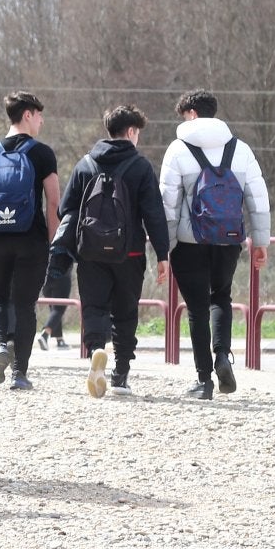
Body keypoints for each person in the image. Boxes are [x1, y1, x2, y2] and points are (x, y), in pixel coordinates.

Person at [159, 88, 271, 399]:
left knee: (196, 308)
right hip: (229, 240)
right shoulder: (241, 150)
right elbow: (257, 199)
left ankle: (203, 380)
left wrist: (163, 251)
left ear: (191, 114)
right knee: (220, 297)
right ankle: (222, 355)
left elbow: (168, 205)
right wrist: (260, 241)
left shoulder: (178, 150)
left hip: (188, 242)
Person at [55, 104, 171, 397]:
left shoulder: (85, 165)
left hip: (91, 253)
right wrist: (162, 254)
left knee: (94, 306)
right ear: (131, 132)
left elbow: (65, 209)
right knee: (125, 312)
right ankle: (120, 375)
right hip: (129, 254)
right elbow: (154, 214)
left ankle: (96, 349)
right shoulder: (141, 167)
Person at [0, 91, 61, 391]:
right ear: (27, 115)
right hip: (31, 240)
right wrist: (50, 240)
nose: (41, 120)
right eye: (38, 115)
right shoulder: (42, 153)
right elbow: (53, 202)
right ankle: (20, 373)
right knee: (25, 305)